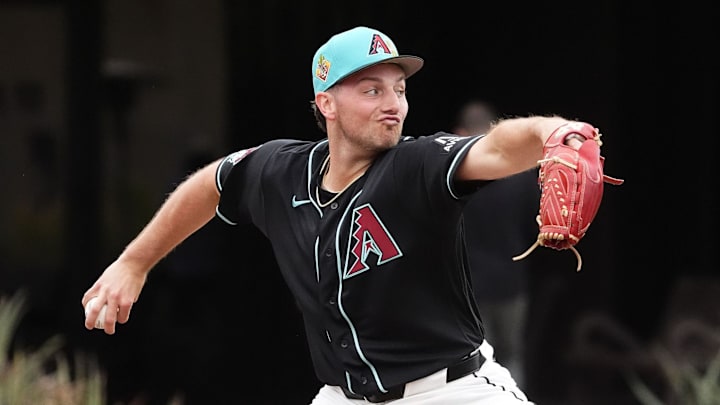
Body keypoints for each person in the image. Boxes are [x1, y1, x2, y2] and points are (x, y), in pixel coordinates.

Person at [82, 26, 597, 404]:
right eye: (372, 90)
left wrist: (554, 132)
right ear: (326, 103)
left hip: (454, 391)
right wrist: (135, 262)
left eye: (399, 88)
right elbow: (211, 184)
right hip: (345, 397)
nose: (393, 103)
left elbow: (497, 147)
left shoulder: (416, 164)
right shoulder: (281, 172)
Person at [452, 100, 541, 387]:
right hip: (513, 280)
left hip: (469, 284)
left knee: (476, 360)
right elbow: (538, 225)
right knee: (513, 354)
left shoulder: (454, 178)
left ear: (461, 132)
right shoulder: (520, 175)